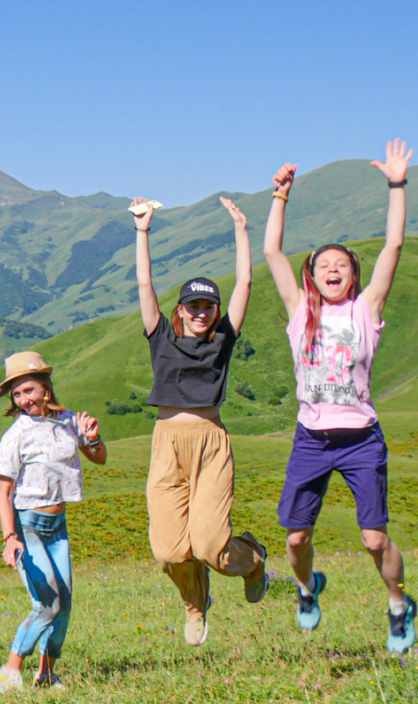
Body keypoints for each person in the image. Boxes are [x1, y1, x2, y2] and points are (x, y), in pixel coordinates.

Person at [263, 140, 418, 652]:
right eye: (323, 264)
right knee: (295, 540)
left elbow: (393, 247)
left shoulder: (365, 311)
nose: (333, 269)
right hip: (311, 439)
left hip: (361, 440)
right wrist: (280, 197)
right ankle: (308, 588)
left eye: (343, 265)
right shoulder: (299, 312)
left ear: (354, 275)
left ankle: (398, 604)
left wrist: (397, 185)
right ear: (312, 275)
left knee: (374, 539)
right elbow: (271, 253)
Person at [132, 195, 270, 646]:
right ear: (180, 310)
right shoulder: (161, 337)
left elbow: (246, 281)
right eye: (192, 306)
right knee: (169, 550)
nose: (199, 312)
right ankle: (195, 603)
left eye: (207, 307)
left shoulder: (222, 340)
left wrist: (241, 230)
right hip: (167, 441)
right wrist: (143, 231)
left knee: (211, 547)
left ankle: (253, 559)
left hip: (210, 442)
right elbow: (145, 284)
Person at [0, 352, 106, 691]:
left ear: (46, 388)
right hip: (27, 527)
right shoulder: (15, 436)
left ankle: (46, 674)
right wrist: (10, 538)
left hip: (58, 527)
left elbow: (99, 458)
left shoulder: (67, 421)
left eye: (30, 390)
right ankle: (9, 671)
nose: (24, 400)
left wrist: (92, 438)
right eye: (18, 394)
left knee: (63, 606)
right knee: (47, 604)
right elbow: (4, 494)